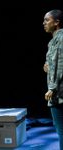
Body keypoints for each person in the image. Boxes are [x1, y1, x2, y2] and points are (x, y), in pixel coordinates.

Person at [43, 9, 63, 150]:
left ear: (56, 22)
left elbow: (61, 66)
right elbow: (53, 64)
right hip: (57, 92)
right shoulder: (53, 41)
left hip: (59, 94)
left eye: (46, 20)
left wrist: (52, 87)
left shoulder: (61, 39)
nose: (44, 23)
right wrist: (48, 68)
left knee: (61, 131)